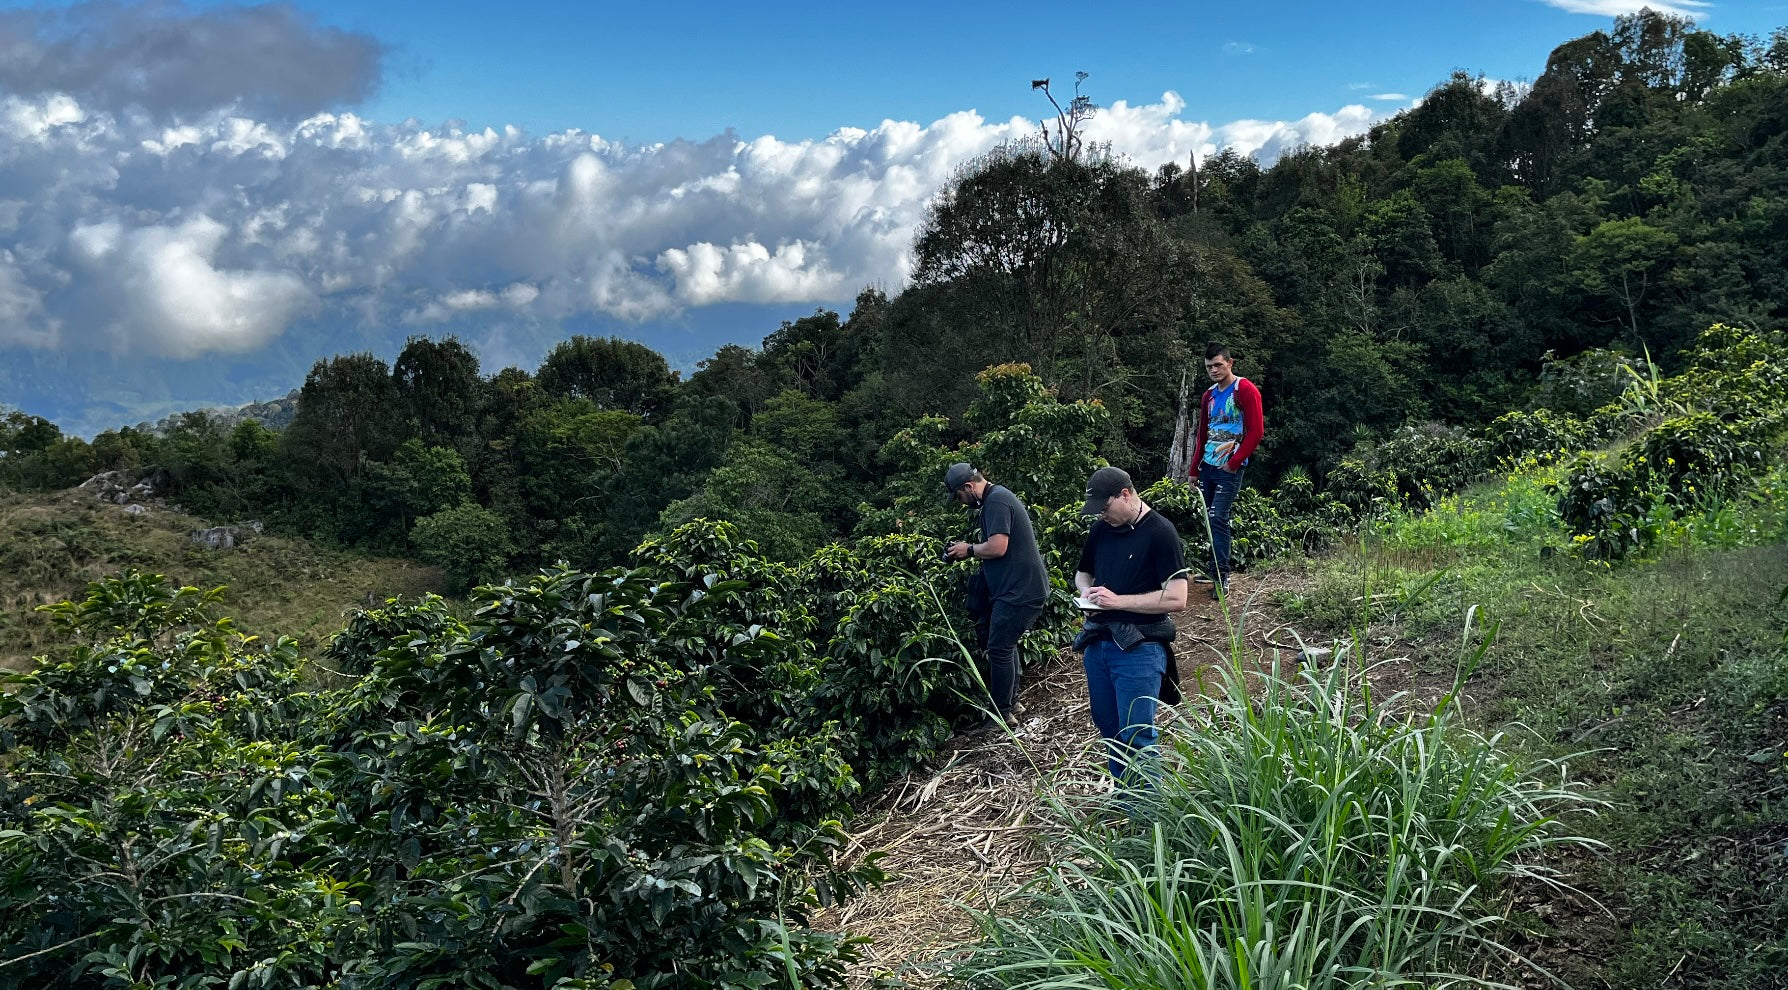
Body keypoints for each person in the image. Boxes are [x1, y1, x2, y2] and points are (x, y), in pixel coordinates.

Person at [1073, 466, 1189, 784]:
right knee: (1108, 728)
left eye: (1105, 508)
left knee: (1137, 735)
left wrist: (1118, 601)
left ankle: (1149, 820)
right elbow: (1083, 573)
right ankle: (1127, 800)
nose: (1101, 516)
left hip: (1140, 648)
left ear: (1126, 495)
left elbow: (1177, 598)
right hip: (1099, 642)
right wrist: (1087, 592)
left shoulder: (1161, 533)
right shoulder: (1101, 530)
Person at [943, 462, 1049, 732]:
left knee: (999, 648)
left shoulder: (997, 501)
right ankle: (1012, 704)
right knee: (1005, 645)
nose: (960, 502)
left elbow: (998, 546)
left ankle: (1000, 716)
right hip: (1017, 588)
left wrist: (968, 550)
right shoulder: (996, 499)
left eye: (959, 496)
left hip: (1019, 591)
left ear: (968, 487)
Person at [1190, 343, 1264, 597]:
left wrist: (1234, 462)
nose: (1214, 370)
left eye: (1218, 365)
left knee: (1217, 517)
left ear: (1230, 363)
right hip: (1208, 464)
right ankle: (1213, 568)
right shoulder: (1208, 396)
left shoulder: (1244, 389)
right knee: (1211, 521)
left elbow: (1256, 431)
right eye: (1209, 366)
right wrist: (1194, 468)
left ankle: (1223, 576)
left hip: (1230, 466)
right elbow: (1202, 434)